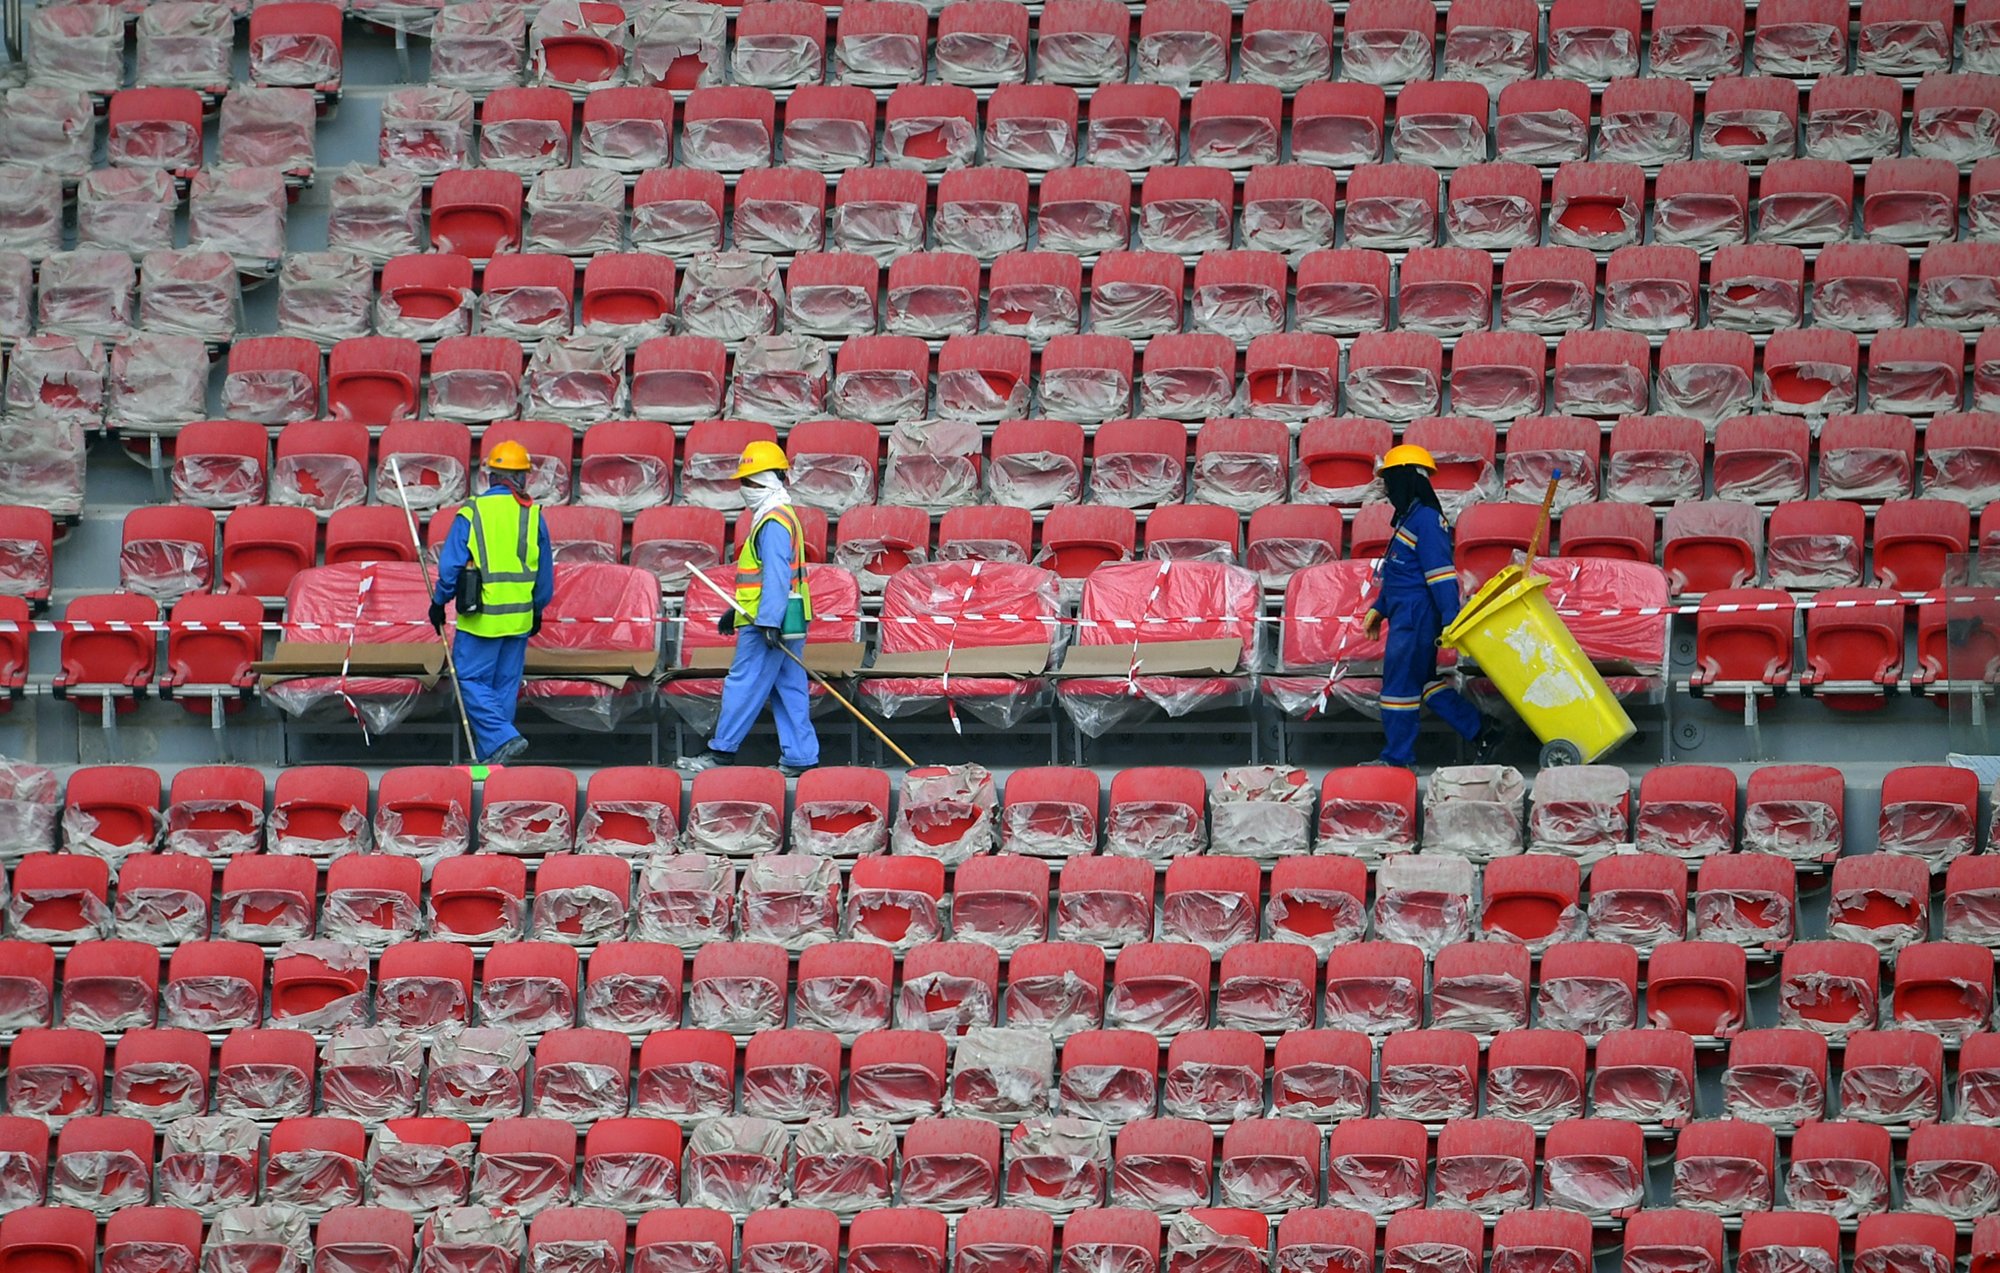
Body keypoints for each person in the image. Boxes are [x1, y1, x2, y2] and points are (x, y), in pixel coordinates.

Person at [679, 441, 820, 776]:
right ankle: (801, 757)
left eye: (751, 482)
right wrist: (738, 612)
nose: (745, 489)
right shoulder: (783, 515)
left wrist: (767, 621)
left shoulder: (771, 521)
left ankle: (721, 753)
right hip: (790, 617)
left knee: (743, 683)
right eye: (744, 482)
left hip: (768, 622)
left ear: (769, 481)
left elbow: (775, 575)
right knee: (788, 687)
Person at [1361, 444, 1501, 769]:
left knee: (1398, 687)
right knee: (1424, 682)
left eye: (1391, 480)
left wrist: (1450, 618)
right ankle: (1483, 729)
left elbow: (1440, 575)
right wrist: (1379, 608)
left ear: (1408, 480)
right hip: (1403, 614)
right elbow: (1399, 573)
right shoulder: (1409, 518)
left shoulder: (1427, 520)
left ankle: (1396, 759)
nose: (1387, 489)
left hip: (1416, 618)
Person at [428, 440, 554, 766]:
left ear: (491, 476)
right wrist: (537, 608)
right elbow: (544, 573)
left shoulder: (473, 511)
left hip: (482, 617)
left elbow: (452, 566)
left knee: (469, 679)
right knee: (504, 685)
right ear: (522, 478)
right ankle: (495, 758)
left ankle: (504, 738)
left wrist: (440, 601)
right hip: (519, 619)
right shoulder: (532, 513)